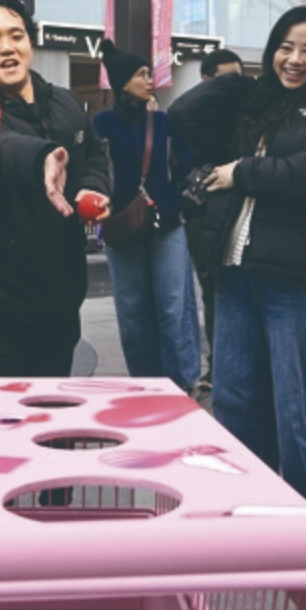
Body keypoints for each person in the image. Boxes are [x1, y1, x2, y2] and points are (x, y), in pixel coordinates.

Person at [169, 6, 306, 510]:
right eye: (285, 47)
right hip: (233, 276)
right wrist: (242, 82)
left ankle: (303, 526)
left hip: (293, 283)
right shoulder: (253, 106)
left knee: (297, 413)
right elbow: (184, 115)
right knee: (233, 405)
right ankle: (247, 517)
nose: (295, 59)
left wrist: (244, 172)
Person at [0, 0, 111, 377]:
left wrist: (91, 187)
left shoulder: (66, 103)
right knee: (6, 409)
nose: (7, 47)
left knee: (54, 406)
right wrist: (40, 158)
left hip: (61, 296)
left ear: (30, 44)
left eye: (16, 35)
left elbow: (94, 155)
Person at [93, 39, 200, 391]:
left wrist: (176, 200)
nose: (149, 80)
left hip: (167, 227)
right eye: (141, 74)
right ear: (123, 83)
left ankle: (181, 384)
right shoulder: (102, 124)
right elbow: (94, 170)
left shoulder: (163, 122)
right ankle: (145, 386)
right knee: (132, 312)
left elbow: (185, 166)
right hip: (121, 228)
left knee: (173, 307)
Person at [185, 48, 245, 399]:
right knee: (213, 292)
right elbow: (180, 114)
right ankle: (218, 363)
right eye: (227, 80)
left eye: (240, 79)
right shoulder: (198, 116)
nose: (235, 87)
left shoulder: (247, 115)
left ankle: (233, 364)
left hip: (242, 214)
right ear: (207, 81)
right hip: (205, 214)